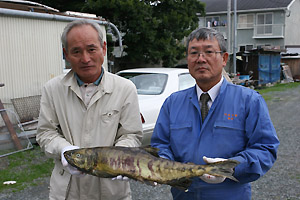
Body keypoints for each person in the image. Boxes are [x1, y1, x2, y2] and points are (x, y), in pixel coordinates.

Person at [151, 27, 279, 200]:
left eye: (209, 52)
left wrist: (231, 168)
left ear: (224, 58)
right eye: (194, 53)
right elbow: (161, 145)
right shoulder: (173, 103)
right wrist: (162, 167)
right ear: (187, 59)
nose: (200, 59)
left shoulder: (249, 100)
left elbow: (265, 148)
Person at [36, 19, 143, 200]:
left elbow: (131, 134)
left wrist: (119, 158)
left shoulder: (125, 88)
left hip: (111, 191)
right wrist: (65, 151)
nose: (85, 58)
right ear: (66, 54)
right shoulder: (53, 89)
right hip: (67, 192)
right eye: (76, 51)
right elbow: (46, 133)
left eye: (91, 49)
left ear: (103, 49)